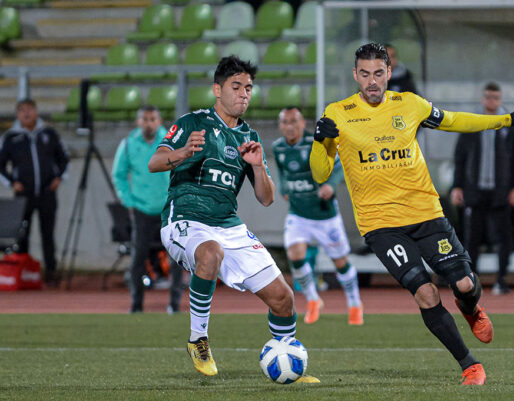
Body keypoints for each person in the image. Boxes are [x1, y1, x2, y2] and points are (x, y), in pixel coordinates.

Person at [309, 43, 514, 385]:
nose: (372, 81)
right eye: (364, 74)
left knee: (463, 283)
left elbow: (455, 120)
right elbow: (320, 173)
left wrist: (506, 120)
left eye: (378, 73)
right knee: (425, 291)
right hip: (381, 224)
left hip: (426, 213)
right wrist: (319, 141)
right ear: (355, 75)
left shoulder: (410, 104)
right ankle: (470, 365)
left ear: (388, 73)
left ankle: (470, 307)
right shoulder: (338, 113)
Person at [148, 56, 318, 383]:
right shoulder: (193, 122)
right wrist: (182, 153)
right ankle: (198, 339)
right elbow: (155, 162)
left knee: (284, 298)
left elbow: (267, 198)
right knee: (210, 253)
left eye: (248, 88)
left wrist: (256, 164)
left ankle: (289, 362)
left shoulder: (248, 137)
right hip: (185, 218)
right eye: (236, 87)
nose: (243, 94)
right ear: (217, 89)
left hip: (228, 225)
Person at [273, 106, 363, 325]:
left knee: (340, 262)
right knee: (294, 255)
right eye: (285, 122)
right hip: (299, 213)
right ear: (280, 126)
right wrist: (283, 188)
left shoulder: (316, 144)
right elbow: (283, 173)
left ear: (303, 124)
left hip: (325, 215)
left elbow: (340, 166)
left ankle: (354, 303)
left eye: (294, 121)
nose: (290, 126)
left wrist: (331, 185)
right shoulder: (278, 147)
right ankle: (313, 300)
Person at [451, 82, 514, 295]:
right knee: (472, 238)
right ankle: (472, 282)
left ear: (500, 99)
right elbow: (460, 157)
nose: (491, 101)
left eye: (495, 97)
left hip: (501, 191)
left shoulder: (509, 125)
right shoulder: (471, 123)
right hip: (474, 190)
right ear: (482, 99)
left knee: (504, 237)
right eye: (488, 97)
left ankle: (501, 279)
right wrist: (457, 185)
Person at [112, 105, 183, 314]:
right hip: (142, 210)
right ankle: (136, 305)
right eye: (145, 119)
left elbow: (184, 170)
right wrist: (129, 201)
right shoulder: (128, 145)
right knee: (137, 258)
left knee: (177, 258)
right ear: (138, 122)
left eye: (153, 119)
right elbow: (119, 175)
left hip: (168, 209)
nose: (149, 123)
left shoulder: (173, 142)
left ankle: (175, 304)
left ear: (159, 122)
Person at [0, 98, 70, 285]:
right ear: (18, 115)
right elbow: (1, 166)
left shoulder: (49, 134)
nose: (26, 113)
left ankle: (51, 273)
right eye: (22, 110)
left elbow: (64, 159)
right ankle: (22, 273)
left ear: (36, 112)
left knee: (48, 234)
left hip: (47, 192)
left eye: (30, 109)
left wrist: (59, 178)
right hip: (23, 195)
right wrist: (11, 183)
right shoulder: (10, 138)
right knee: (22, 233)